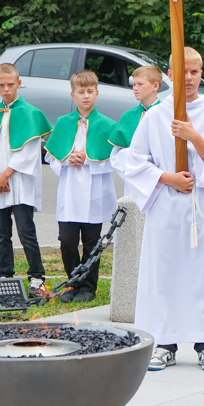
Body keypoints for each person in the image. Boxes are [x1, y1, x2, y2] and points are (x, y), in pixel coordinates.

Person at [124, 46, 204, 372]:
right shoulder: (156, 114)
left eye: (195, 72)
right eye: (182, 72)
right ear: (170, 75)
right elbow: (134, 163)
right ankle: (166, 343)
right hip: (166, 208)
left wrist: (194, 137)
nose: (189, 78)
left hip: (201, 208)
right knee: (167, 274)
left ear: (201, 73)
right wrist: (168, 177)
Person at [45, 70, 118, 303]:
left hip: (95, 189)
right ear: (72, 95)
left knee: (91, 241)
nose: (85, 96)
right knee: (66, 239)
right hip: (70, 189)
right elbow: (51, 158)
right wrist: (68, 159)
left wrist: (89, 160)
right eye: (80, 92)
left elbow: (114, 159)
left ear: (96, 93)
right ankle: (71, 283)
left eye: (89, 91)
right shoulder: (64, 123)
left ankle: (88, 286)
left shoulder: (107, 125)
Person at [0, 63, 52, 296]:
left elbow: (29, 153)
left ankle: (37, 276)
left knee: (26, 230)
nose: (6, 89)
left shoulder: (30, 113)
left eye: (11, 84)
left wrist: (5, 175)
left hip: (18, 181)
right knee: (1, 232)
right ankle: (5, 275)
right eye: (1, 85)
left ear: (19, 83)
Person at [108, 65, 162, 196]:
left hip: (160, 181)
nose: (135, 88)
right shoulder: (128, 116)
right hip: (133, 182)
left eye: (140, 84)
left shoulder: (166, 114)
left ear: (155, 86)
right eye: (134, 85)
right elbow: (116, 155)